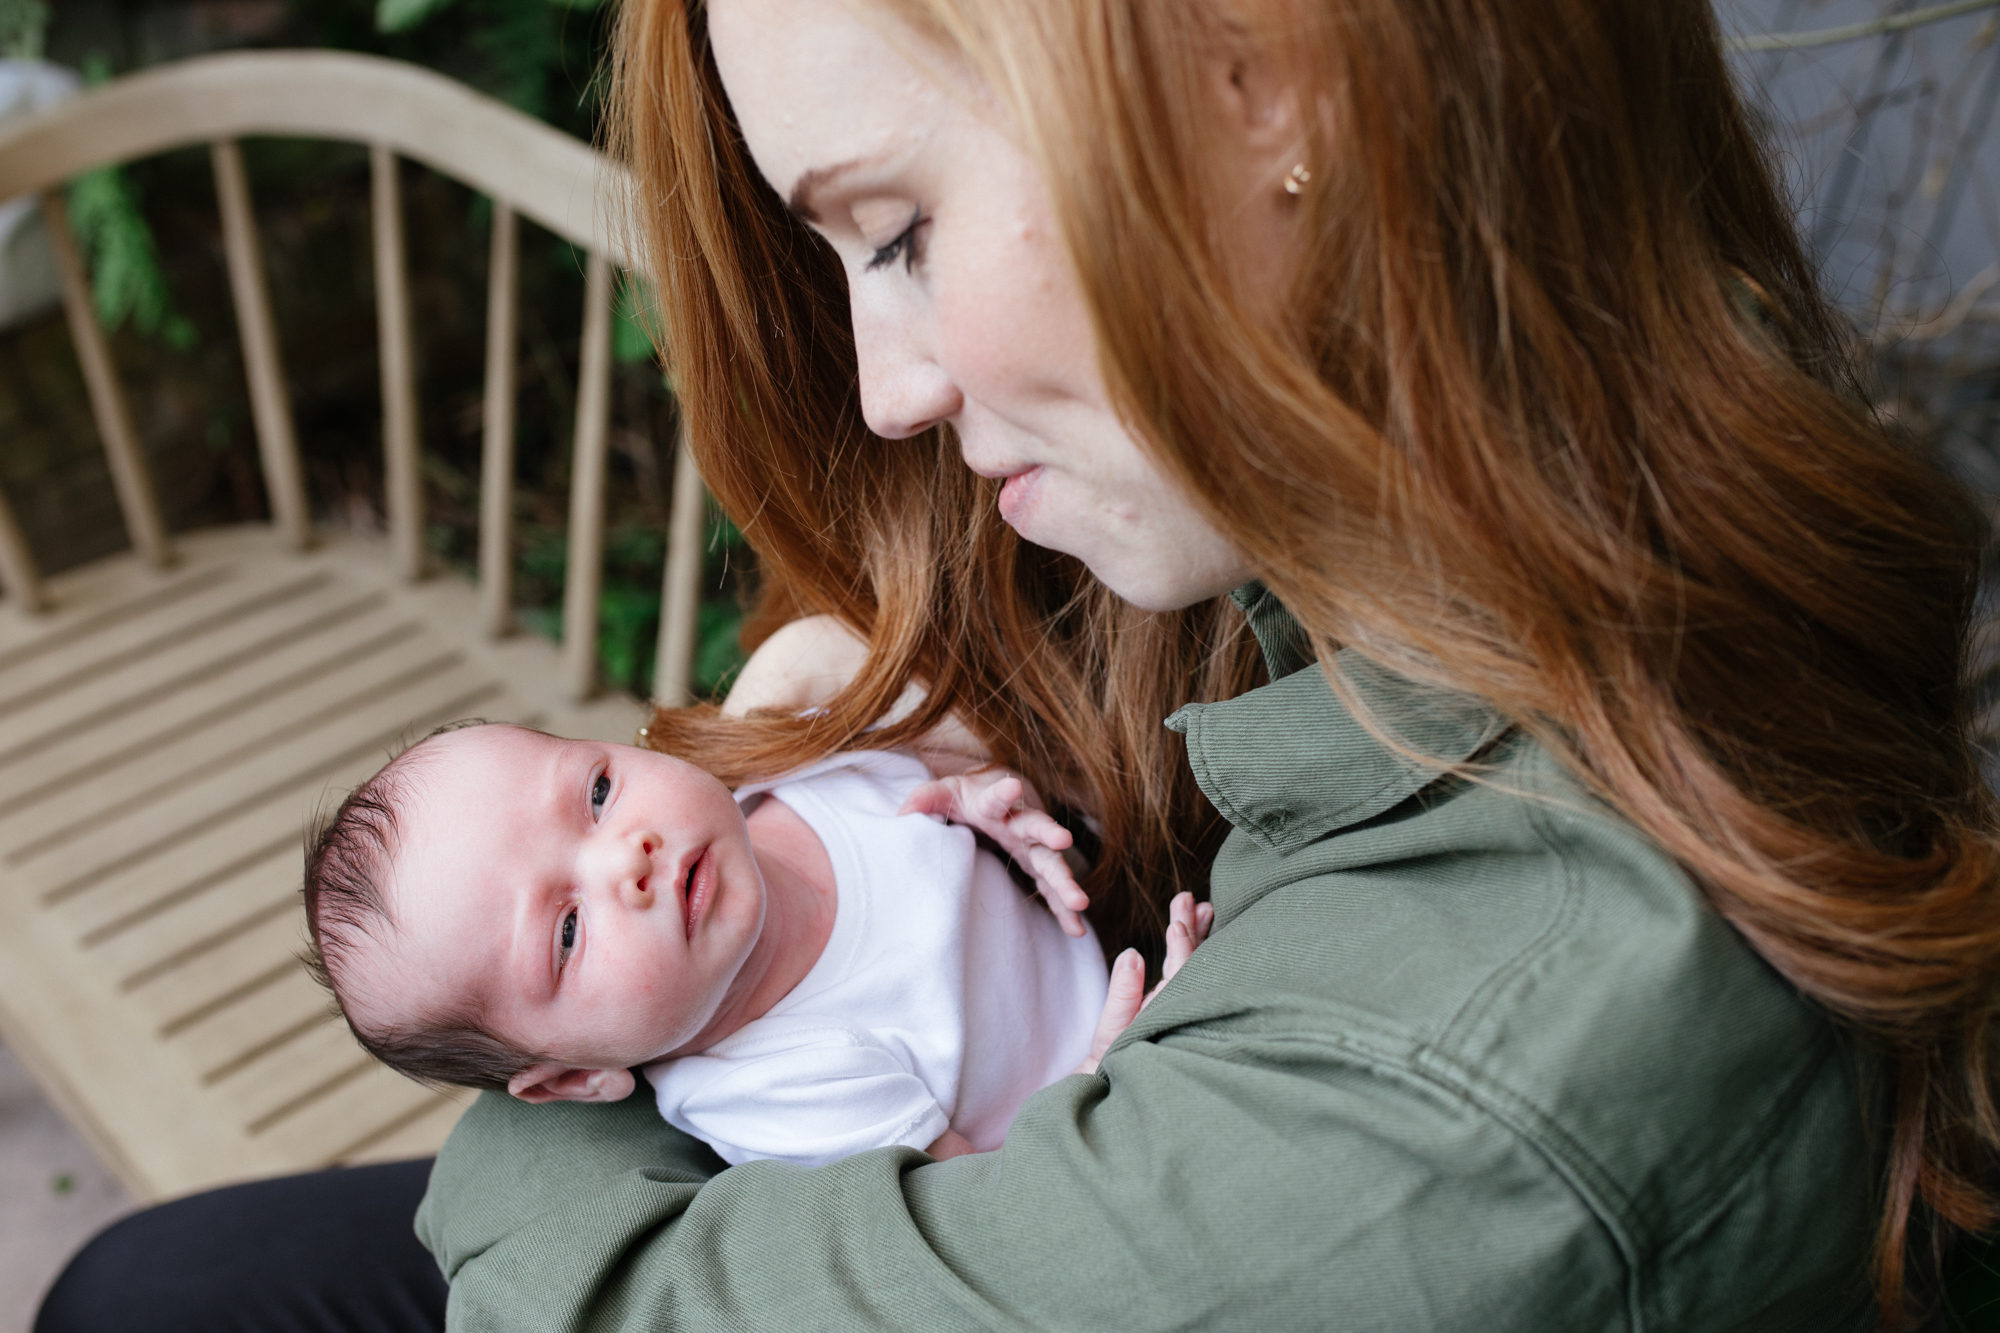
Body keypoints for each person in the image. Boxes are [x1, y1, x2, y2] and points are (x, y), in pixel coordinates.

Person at [36, 0, 2000, 1330]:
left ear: (1268, 80)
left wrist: (573, 1092)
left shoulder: (1456, 1101)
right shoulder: (1354, 514)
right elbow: (855, 674)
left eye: (889, 233)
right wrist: (833, 751)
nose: (887, 388)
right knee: (163, 1289)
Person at [299, 720, 1181, 1167]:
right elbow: (996, 1206)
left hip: (1128, 906)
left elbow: (935, 758)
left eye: (599, 793)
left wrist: (974, 793)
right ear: (575, 1077)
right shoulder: (779, 1090)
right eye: (568, 928)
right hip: (1134, 1098)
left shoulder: (797, 771)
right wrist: (1106, 1074)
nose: (626, 857)